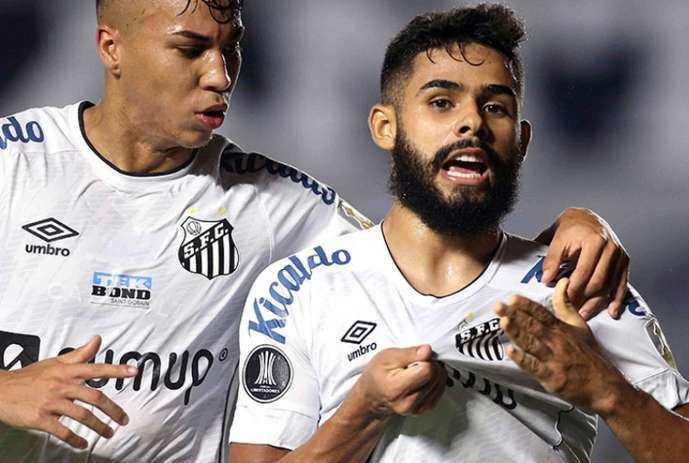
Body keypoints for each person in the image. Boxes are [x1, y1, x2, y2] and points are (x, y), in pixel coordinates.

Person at [0, 1, 631, 461]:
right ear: (111, 46)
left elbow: (431, 248)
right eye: (190, 49)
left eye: (232, 47)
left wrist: (570, 227)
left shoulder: (275, 203)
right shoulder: (14, 163)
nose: (222, 74)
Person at [229, 5, 689, 463]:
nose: (471, 123)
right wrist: (363, 411)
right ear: (385, 126)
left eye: (494, 106)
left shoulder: (578, 287)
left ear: (520, 141)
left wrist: (607, 390)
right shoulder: (300, 290)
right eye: (441, 102)